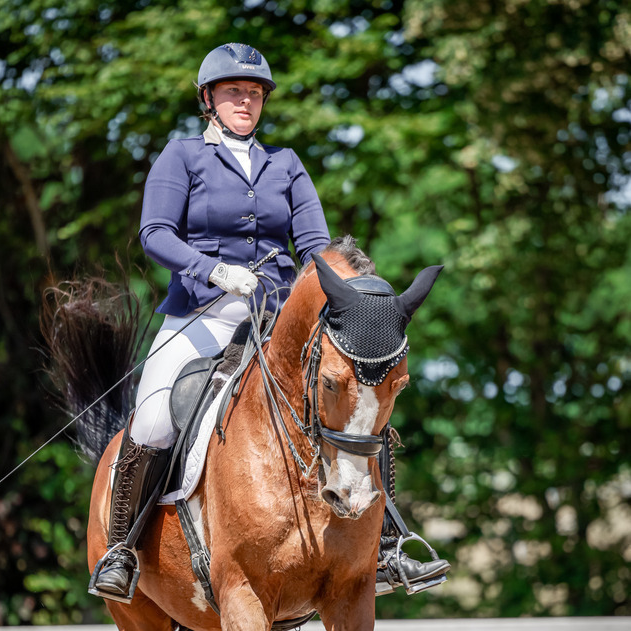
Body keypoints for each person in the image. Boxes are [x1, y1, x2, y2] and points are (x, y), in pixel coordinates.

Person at [91, 42, 448, 601]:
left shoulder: (286, 163)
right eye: (234, 91)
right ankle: (121, 549)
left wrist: (351, 295)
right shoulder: (181, 157)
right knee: (156, 416)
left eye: (254, 93)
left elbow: (314, 247)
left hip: (279, 312)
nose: (245, 101)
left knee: (356, 399)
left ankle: (385, 547)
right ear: (209, 98)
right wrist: (214, 272)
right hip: (202, 310)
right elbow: (155, 234)